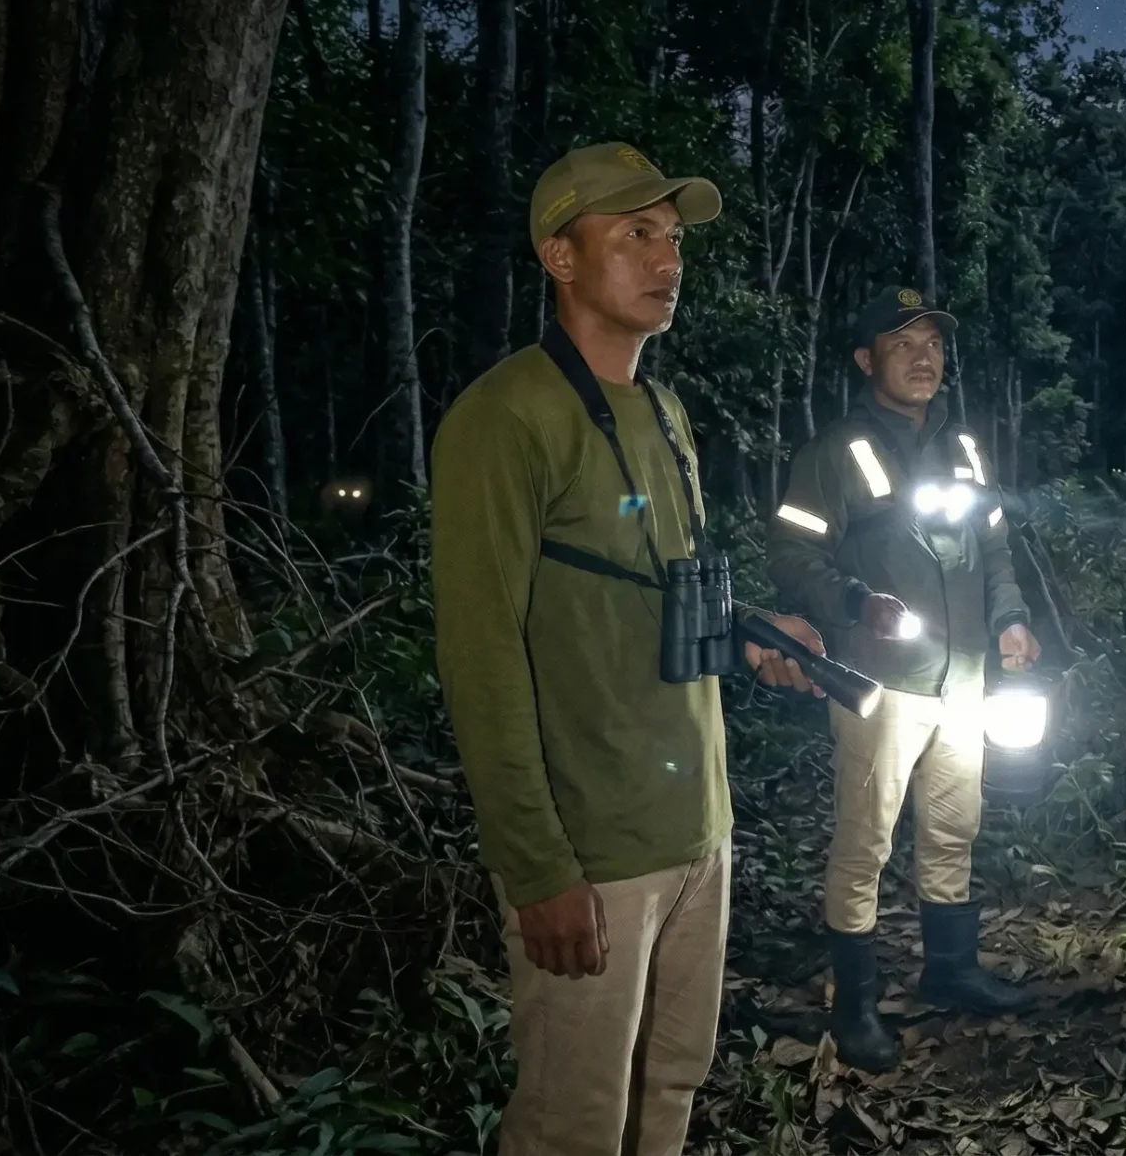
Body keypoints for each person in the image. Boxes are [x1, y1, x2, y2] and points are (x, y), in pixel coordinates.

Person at [432, 141, 825, 1155]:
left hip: (699, 830)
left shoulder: (665, 409)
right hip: (592, 852)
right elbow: (480, 660)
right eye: (636, 233)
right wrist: (536, 867)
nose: (668, 257)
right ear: (560, 257)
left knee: (669, 1091)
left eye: (674, 236)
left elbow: (653, 585)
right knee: (574, 1124)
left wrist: (751, 634)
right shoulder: (504, 416)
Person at [768, 289, 1042, 1073]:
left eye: (933, 344)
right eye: (902, 344)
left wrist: (1011, 619)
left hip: (964, 678)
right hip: (879, 681)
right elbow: (790, 553)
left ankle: (950, 968)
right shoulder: (837, 452)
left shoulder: (962, 446)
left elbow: (994, 546)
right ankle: (854, 1006)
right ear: (866, 359)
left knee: (955, 824)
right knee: (865, 841)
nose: (924, 357)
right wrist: (853, 601)